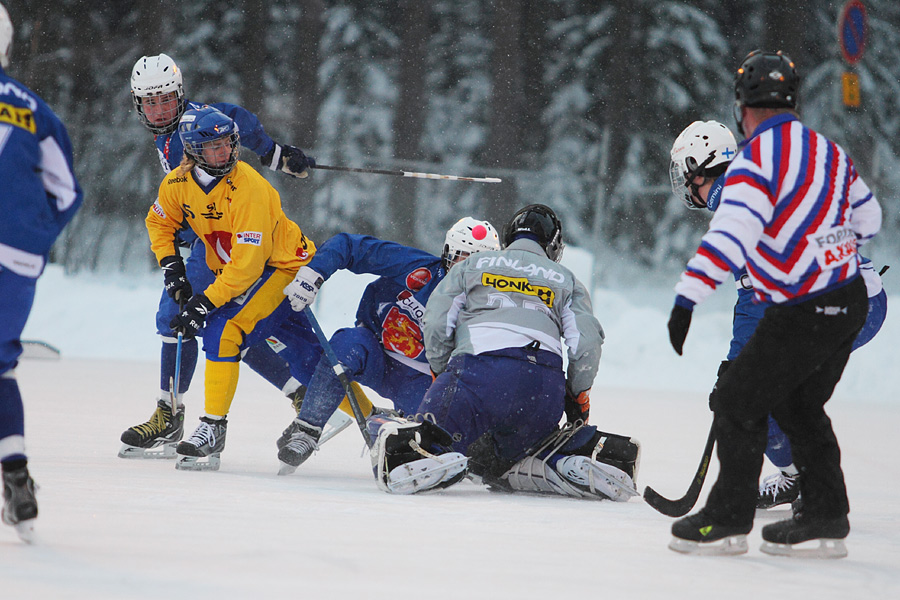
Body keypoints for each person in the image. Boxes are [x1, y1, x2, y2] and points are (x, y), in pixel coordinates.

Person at [666, 51, 882, 558]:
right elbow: (869, 219)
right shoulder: (821, 149)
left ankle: (727, 518)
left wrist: (688, 303)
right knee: (799, 403)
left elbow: (731, 259)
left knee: (738, 399)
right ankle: (824, 512)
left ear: (744, 108)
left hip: (809, 303)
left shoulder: (746, 172)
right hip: (857, 299)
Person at [120, 54, 322, 459]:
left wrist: (273, 153)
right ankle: (300, 395)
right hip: (210, 237)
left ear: (179, 96)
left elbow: (234, 118)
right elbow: (232, 120)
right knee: (218, 327)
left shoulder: (189, 132)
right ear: (138, 105)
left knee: (191, 320)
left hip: (227, 241)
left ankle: (172, 415)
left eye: (165, 100)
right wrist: (276, 154)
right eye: (149, 103)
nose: (159, 110)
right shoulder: (175, 129)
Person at [369, 204, 641, 499]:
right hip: (542, 391)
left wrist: (440, 369)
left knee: (436, 434)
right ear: (552, 245)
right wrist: (578, 395)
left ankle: (421, 454)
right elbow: (586, 344)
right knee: (507, 458)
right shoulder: (566, 279)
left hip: (477, 376)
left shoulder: (472, 266)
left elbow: (436, 321)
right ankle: (574, 455)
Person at [274, 217, 502, 474]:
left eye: (480, 264)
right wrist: (314, 273)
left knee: (454, 440)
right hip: (374, 353)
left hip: (423, 382)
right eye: (464, 259)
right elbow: (349, 246)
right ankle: (307, 429)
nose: (468, 270)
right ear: (448, 254)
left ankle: (405, 432)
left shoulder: (489, 305)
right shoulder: (417, 267)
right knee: (346, 344)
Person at [0, 2, 84, 542]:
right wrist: (31, 239)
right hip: (15, 260)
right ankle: (15, 472)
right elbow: (68, 192)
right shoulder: (34, 108)